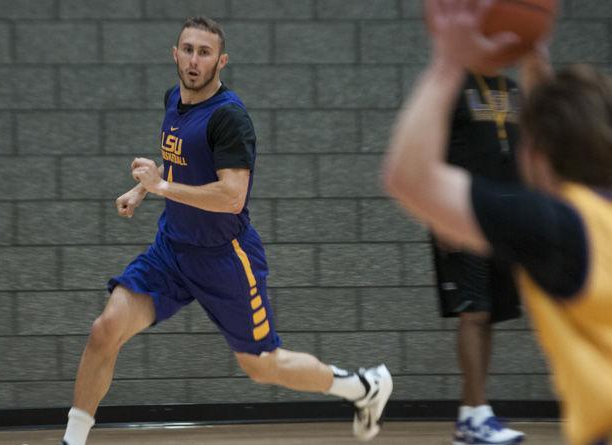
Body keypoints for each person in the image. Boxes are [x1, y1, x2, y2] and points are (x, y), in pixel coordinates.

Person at [60, 16, 392, 445]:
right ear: (174, 54)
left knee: (263, 365)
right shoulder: (173, 101)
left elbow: (232, 196)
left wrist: (160, 188)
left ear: (221, 61)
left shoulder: (230, 117)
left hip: (225, 258)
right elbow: (182, 162)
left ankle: (363, 387)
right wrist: (142, 190)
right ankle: (73, 439)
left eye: (204, 52)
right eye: (187, 49)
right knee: (104, 330)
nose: (194, 60)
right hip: (172, 251)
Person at [383, 1, 612, 445]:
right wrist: (535, 54)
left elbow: (407, 177)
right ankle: (474, 412)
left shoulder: (563, 229)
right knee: (477, 314)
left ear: (534, 152)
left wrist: (447, 61)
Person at [431, 70, 525, 444]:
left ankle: (472, 415)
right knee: (474, 312)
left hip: (507, 215)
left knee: (491, 315)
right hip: (460, 211)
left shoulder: (515, 89)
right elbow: (432, 150)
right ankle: (476, 414)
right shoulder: (452, 85)